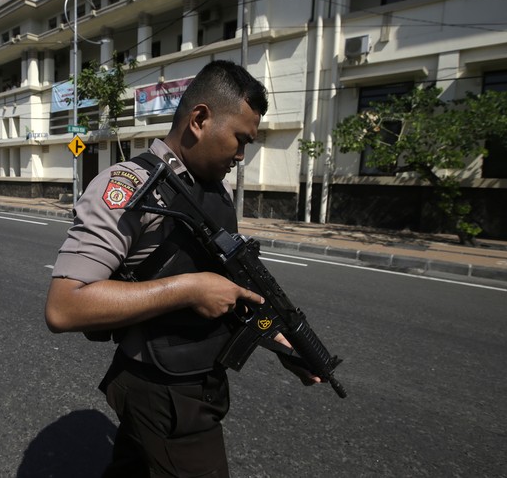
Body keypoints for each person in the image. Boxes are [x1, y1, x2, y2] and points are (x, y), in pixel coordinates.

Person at [45, 60, 322, 477]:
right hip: (161, 388)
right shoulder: (127, 186)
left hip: (196, 376)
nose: (242, 156)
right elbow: (64, 307)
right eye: (239, 139)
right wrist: (189, 289)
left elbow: (231, 289)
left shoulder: (211, 190)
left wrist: (280, 341)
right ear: (199, 119)